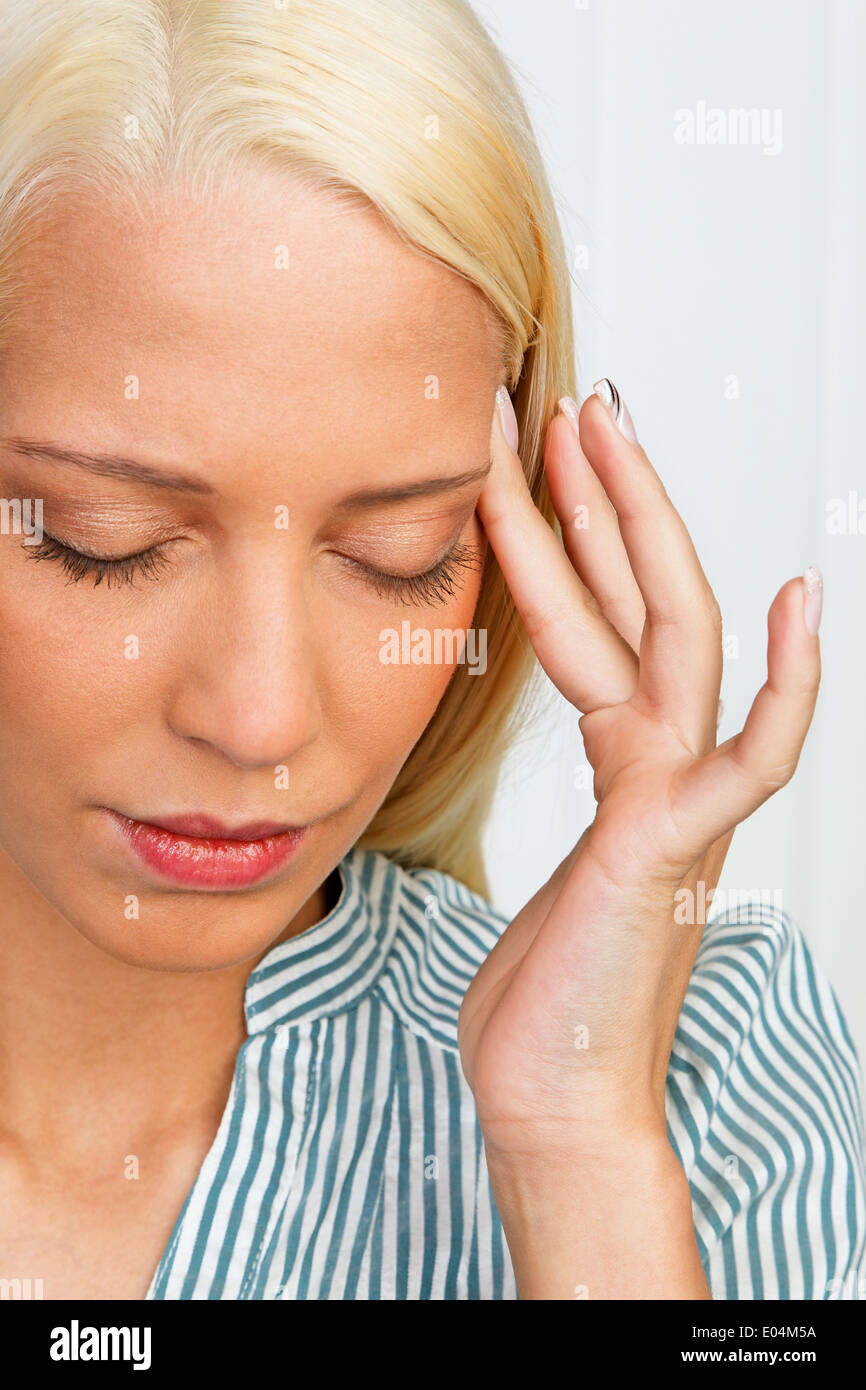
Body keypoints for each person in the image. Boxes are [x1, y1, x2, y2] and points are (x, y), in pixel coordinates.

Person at [0, 0, 862, 1301]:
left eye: (397, 551)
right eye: (98, 539)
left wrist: (575, 1152)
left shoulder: (706, 1097)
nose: (259, 716)